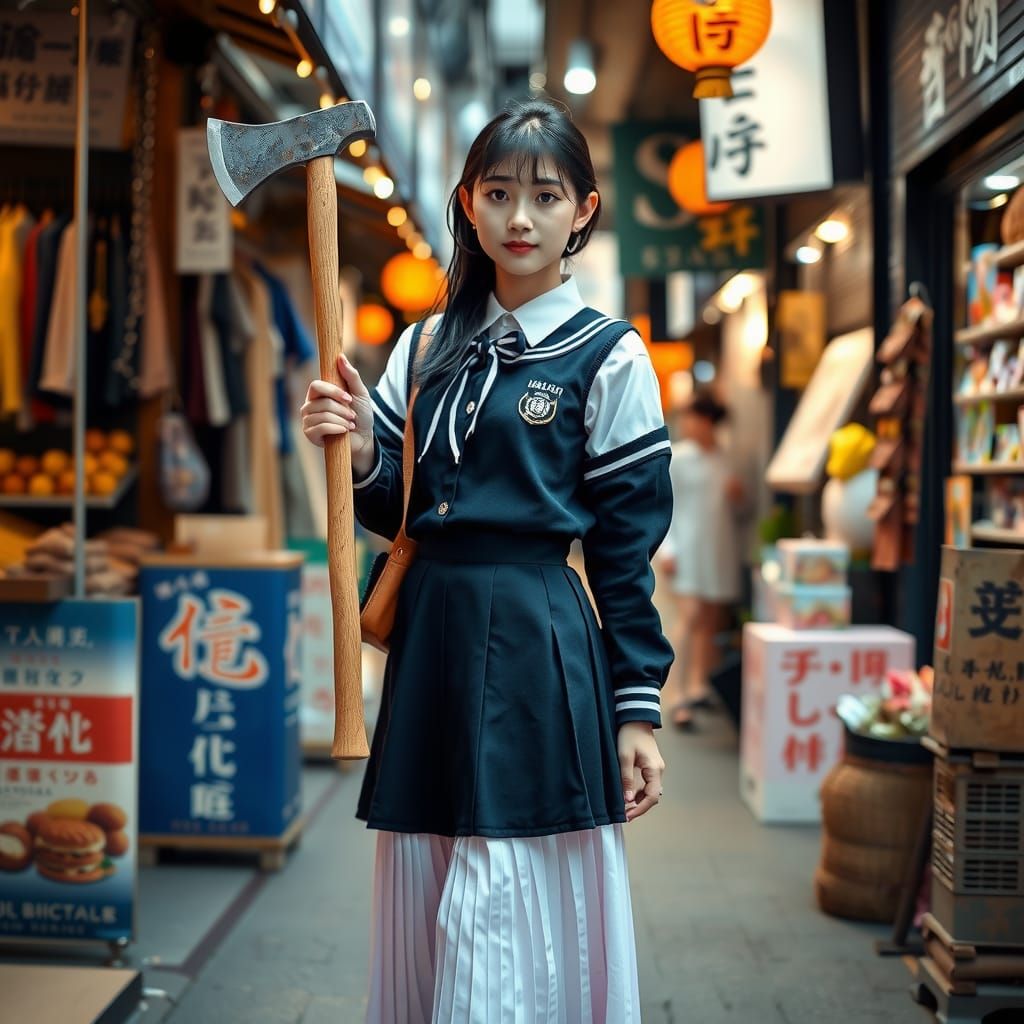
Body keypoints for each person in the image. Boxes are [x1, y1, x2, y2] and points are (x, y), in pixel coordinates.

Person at [301, 98, 673, 1023]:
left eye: (545, 196)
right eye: (499, 193)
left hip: (542, 639)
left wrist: (638, 711)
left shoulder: (610, 356)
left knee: (510, 871)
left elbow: (626, 554)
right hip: (434, 633)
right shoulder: (425, 347)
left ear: (582, 210)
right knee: (431, 871)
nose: (519, 217)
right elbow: (392, 505)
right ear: (467, 203)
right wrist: (353, 454)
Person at [659, 391, 744, 730]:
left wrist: (738, 498)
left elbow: (739, 511)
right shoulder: (678, 458)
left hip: (717, 548)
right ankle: (676, 695)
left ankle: (698, 687)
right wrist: (667, 548)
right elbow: (663, 503)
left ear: (706, 420)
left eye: (691, 416)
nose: (685, 423)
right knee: (691, 616)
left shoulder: (723, 459)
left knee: (709, 622)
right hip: (685, 550)